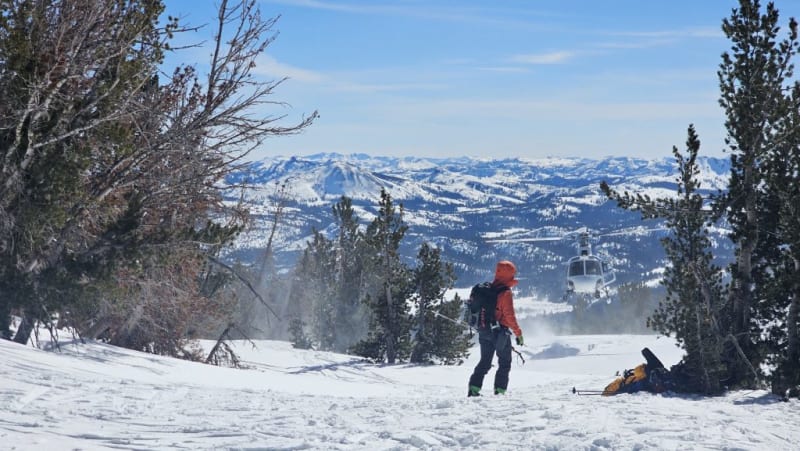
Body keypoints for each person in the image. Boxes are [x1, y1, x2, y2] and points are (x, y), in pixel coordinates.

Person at [467, 260, 524, 396]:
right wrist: (518, 333)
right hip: (500, 333)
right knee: (504, 362)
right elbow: (509, 316)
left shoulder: (488, 289)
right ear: (509, 275)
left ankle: (473, 389)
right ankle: (499, 391)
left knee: (485, 362)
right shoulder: (505, 293)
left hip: (484, 330)